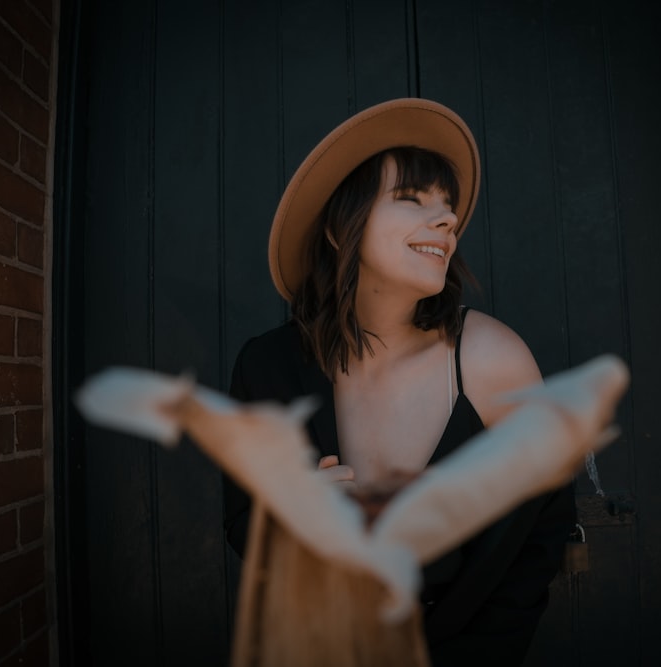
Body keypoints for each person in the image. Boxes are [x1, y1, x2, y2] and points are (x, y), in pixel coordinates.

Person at [223, 98, 574, 666]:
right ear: (341, 227)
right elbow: (243, 521)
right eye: (412, 199)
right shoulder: (264, 367)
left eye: (448, 207)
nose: (447, 220)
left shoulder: (490, 359)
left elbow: (540, 536)